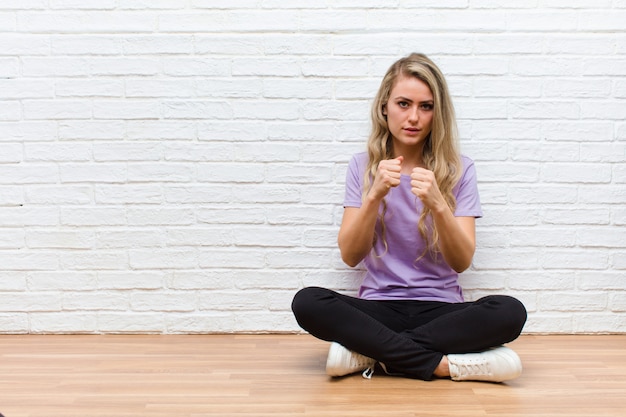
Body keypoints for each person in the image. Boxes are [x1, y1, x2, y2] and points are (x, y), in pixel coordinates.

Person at [291, 53, 527, 382]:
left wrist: (438, 204)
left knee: (510, 312)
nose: (414, 117)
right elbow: (350, 256)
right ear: (384, 107)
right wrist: (373, 195)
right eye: (404, 103)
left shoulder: (460, 169)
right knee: (307, 302)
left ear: (437, 113)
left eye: (426, 106)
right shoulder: (362, 166)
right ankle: (445, 365)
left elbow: (461, 262)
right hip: (379, 308)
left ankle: (368, 354)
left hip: (440, 309)